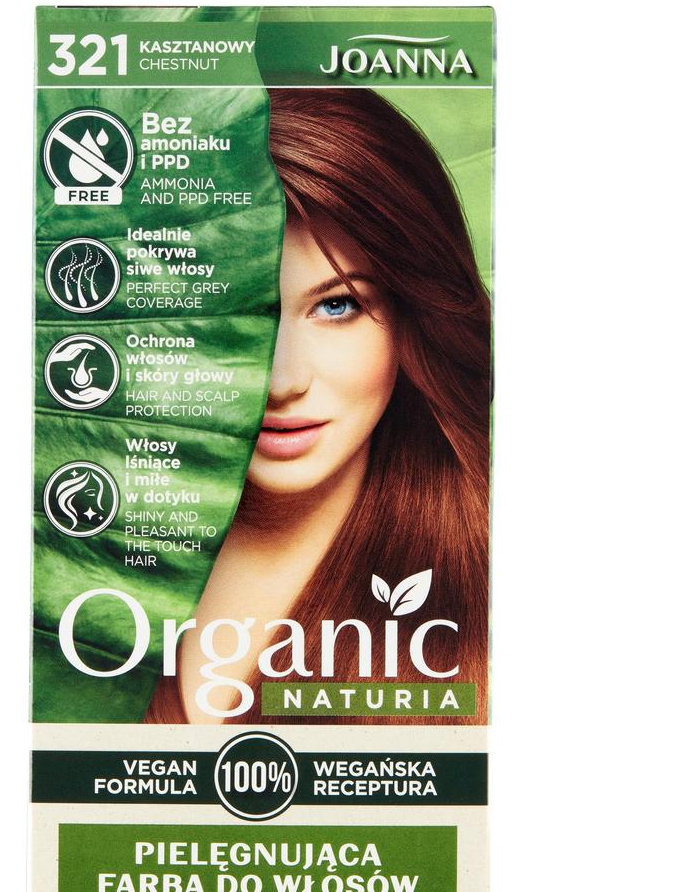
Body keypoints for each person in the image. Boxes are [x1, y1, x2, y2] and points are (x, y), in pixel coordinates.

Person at [146, 88, 491, 725]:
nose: (283, 381)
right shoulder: (75, 569)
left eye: (337, 305)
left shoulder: (490, 583)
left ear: (415, 321)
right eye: (234, 310)